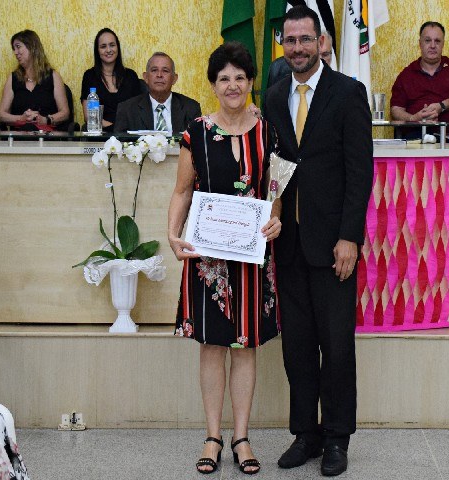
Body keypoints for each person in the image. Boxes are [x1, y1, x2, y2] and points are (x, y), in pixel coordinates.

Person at [264, 6, 373, 477]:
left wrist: (350, 237)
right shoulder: (272, 96)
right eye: (290, 40)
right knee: (298, 347)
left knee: (337, 345)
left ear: (322, 42)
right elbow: (275, 166)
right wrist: (270, 216)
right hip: (289, 243)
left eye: (305, 39)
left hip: (334, 247)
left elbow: (360, 172)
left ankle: (337, 438)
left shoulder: (348, 93)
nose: (298, 48)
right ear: (282, 45)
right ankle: (305, 433)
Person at [167, 41, 281, 475]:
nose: (232, 85)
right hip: (207, 261)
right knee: (212, 346)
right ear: (213, 85)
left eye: (239, 78)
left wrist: (276, 219)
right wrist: (172, 233)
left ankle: (242, 437)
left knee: (246, 347)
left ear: (250, 82)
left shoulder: (268, 131)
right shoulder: (195, 131)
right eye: (223, 79)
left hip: (253, 257)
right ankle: (213, 437)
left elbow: (274, 190)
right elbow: (183, 190)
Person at [390, 21, 449, 136]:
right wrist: (414, 118)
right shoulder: (406, 74)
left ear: (443, 44)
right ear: (420, 43)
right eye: (427, 40)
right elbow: (396, 109)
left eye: (437, 41)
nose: (433, 46)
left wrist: (442, 106)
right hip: (415, 137)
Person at [0, 30, 70, 131]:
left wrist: (45, 120)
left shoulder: (53, 76)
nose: (15, 52)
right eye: (14, 49)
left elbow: (65, 113)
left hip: (46, 136)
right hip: (20, 136)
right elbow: (1, 114)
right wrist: (21, 119)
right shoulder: (13, 78)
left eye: (18, 47)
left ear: (32, 47)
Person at [115, 52, 201, 133]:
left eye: (165, 71)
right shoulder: (127, 109)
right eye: (154, 70)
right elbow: (119, 142)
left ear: (174, 78)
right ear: (146, 77)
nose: (159, 75)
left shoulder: (191, 108)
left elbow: (197, 142)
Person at [80, 28, 142, 132]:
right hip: (101, 134)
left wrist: (123, 131)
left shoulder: (131, 76)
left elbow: (138, 112)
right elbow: (88, 117)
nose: (108, 50)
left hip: (128, 135)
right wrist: (115, 128)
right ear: (97, 50)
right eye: (103, 46)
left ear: (118, 47)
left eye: (112, 45)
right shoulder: (89, 76)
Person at [267, 30, 334, 89]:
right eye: (316, 54)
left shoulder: (338, 85)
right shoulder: (282, 78)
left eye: (325, 55)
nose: (321, 60)